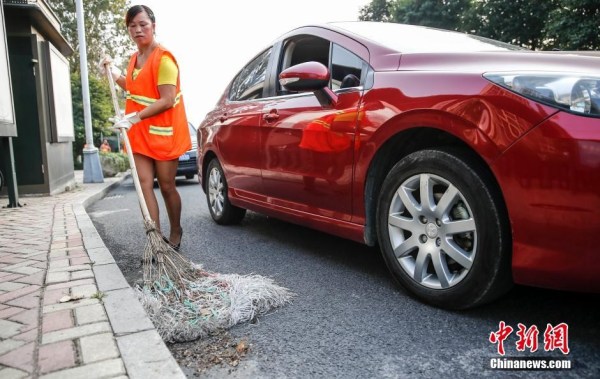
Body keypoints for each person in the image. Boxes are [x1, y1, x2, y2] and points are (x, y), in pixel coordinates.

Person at [99, 5, 190, 250]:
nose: (138, 30)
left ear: (153, 26)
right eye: (132, 26)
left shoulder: (165, 59)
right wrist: (113, 73)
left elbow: (167, 99)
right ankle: (155, 239)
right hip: (140, 134)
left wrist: (133, 118)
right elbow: (133, 87)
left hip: (163, 134)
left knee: (168, 186)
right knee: (143, 183)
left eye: (143, 24)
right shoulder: (134, 59)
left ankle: (176, 230)